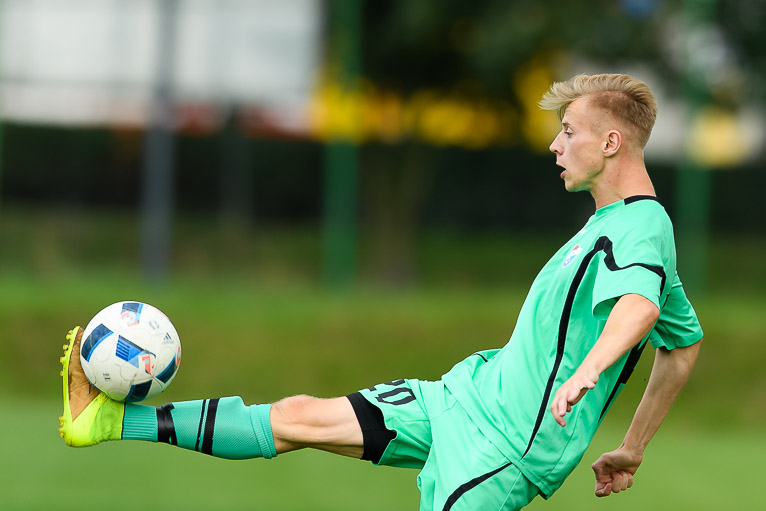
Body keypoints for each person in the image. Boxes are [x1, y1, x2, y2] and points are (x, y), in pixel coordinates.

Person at [59, 73, 703, 510]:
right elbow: (681, 345)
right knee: (297, 417)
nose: (556, 145)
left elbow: (640, 307)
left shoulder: (643, 227)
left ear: (610, 142)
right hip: (463, 399)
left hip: (506, 448)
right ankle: (106, 421)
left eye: (569, 130)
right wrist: (632, 447)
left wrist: (591, 369)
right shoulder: (612, 224)